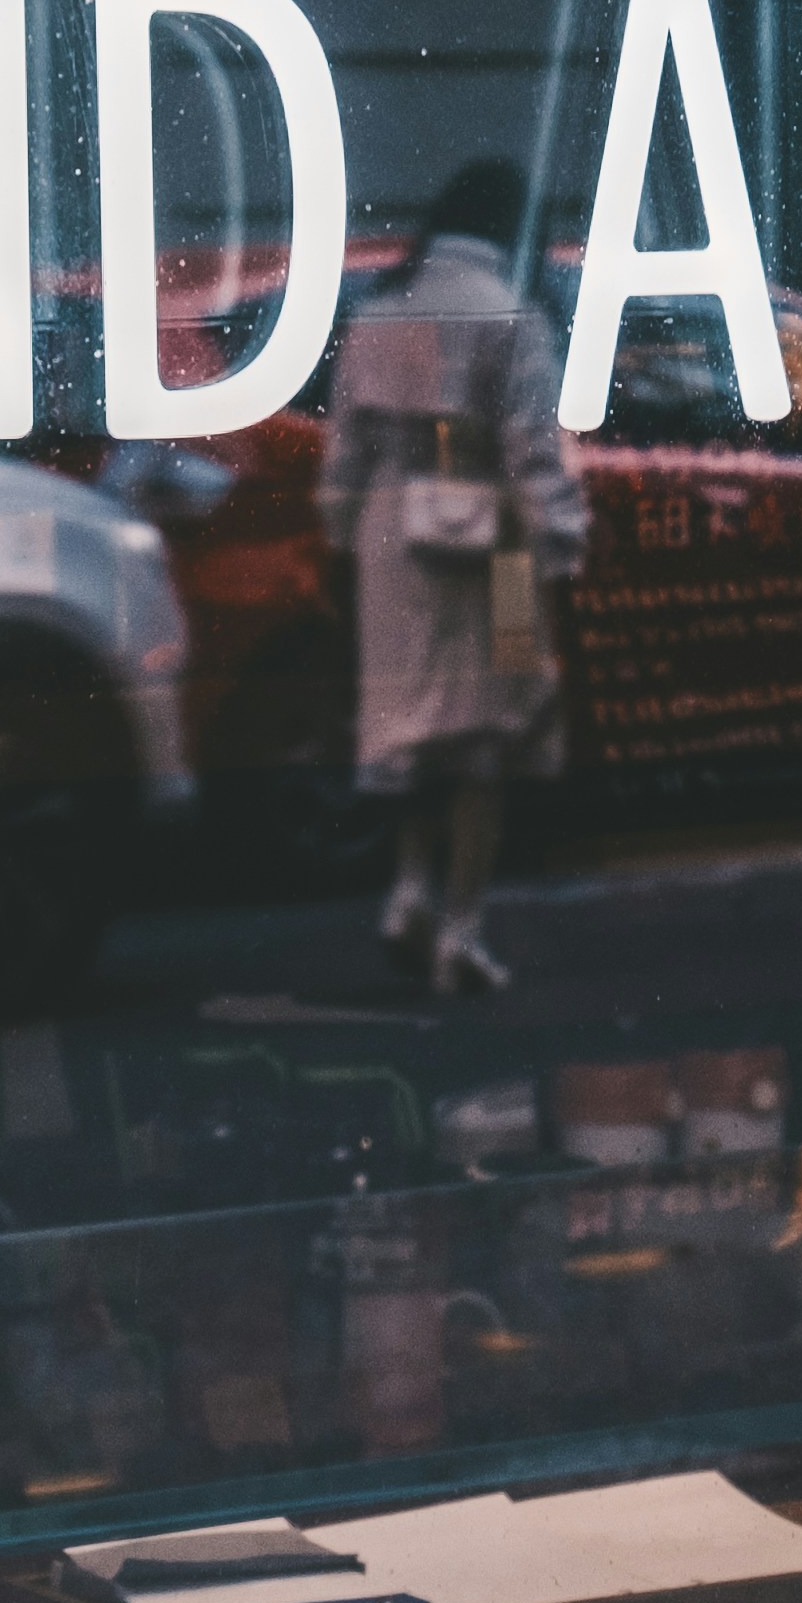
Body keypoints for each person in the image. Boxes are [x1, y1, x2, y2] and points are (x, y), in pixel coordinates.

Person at [323, 159, 587, 996]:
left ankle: (406, 893)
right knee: (489, 734)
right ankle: (461, 932)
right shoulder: (513, 317)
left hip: (391, 543)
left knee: (413, 731)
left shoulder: (381, 312)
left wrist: (340, 534)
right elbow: (533, 453)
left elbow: (346, 452)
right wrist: (562, 547)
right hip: (496, 548)